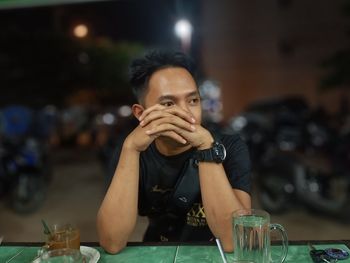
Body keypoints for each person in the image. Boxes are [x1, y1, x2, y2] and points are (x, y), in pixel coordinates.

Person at [97, 49, 251, 254]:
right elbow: (111, 241)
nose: (186, 113)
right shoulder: (132, 150)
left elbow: (235, 240)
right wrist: (130, 149)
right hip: (159, 253)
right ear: (141, 113)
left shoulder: (229, 147)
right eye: (168, 103)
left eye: (193, 101)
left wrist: (206, 147)